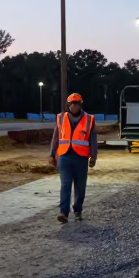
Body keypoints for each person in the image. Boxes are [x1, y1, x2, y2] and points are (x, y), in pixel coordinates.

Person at [50, 93, 97, 223]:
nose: (73, 105)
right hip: (64, 156)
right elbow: (55, 138)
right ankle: (63, 212)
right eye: (71, 103)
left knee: (80, 186)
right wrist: (51, 154)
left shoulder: (89, 119)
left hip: (81, 158)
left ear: (80, 104)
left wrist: (94, 156)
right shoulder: (60, 118)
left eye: (76, 103)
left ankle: (77, 210)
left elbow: (93, 139)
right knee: (65, 184)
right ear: (68, 105)